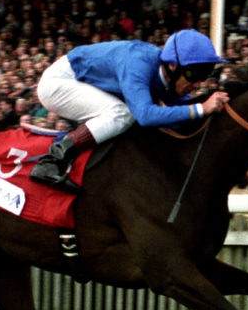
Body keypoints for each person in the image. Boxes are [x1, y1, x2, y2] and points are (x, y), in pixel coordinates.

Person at [29, 29, 229, 192]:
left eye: (206, 75)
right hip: (59, 83)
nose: (198, 84)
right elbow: (146, 116)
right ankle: (52, 160)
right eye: (195, 74)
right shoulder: (138, 64)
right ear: (172, 65)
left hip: (84, 82)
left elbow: (180, 114)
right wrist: (202, 108)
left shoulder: (166, 76)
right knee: (122, 113)